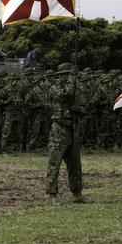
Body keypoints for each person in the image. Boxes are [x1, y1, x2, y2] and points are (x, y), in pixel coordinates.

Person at [46, 63, 87, 202]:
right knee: (54, 164)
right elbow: (66, 95)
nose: (70, 77)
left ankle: (77, 193)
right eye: (67, 75)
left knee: (75, 164)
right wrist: (72, 78)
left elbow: (81, 105)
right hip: (59, 130)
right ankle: (52, 194)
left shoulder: (75, 87)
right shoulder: (55, 87)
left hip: (72, 129)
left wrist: (78, 110)